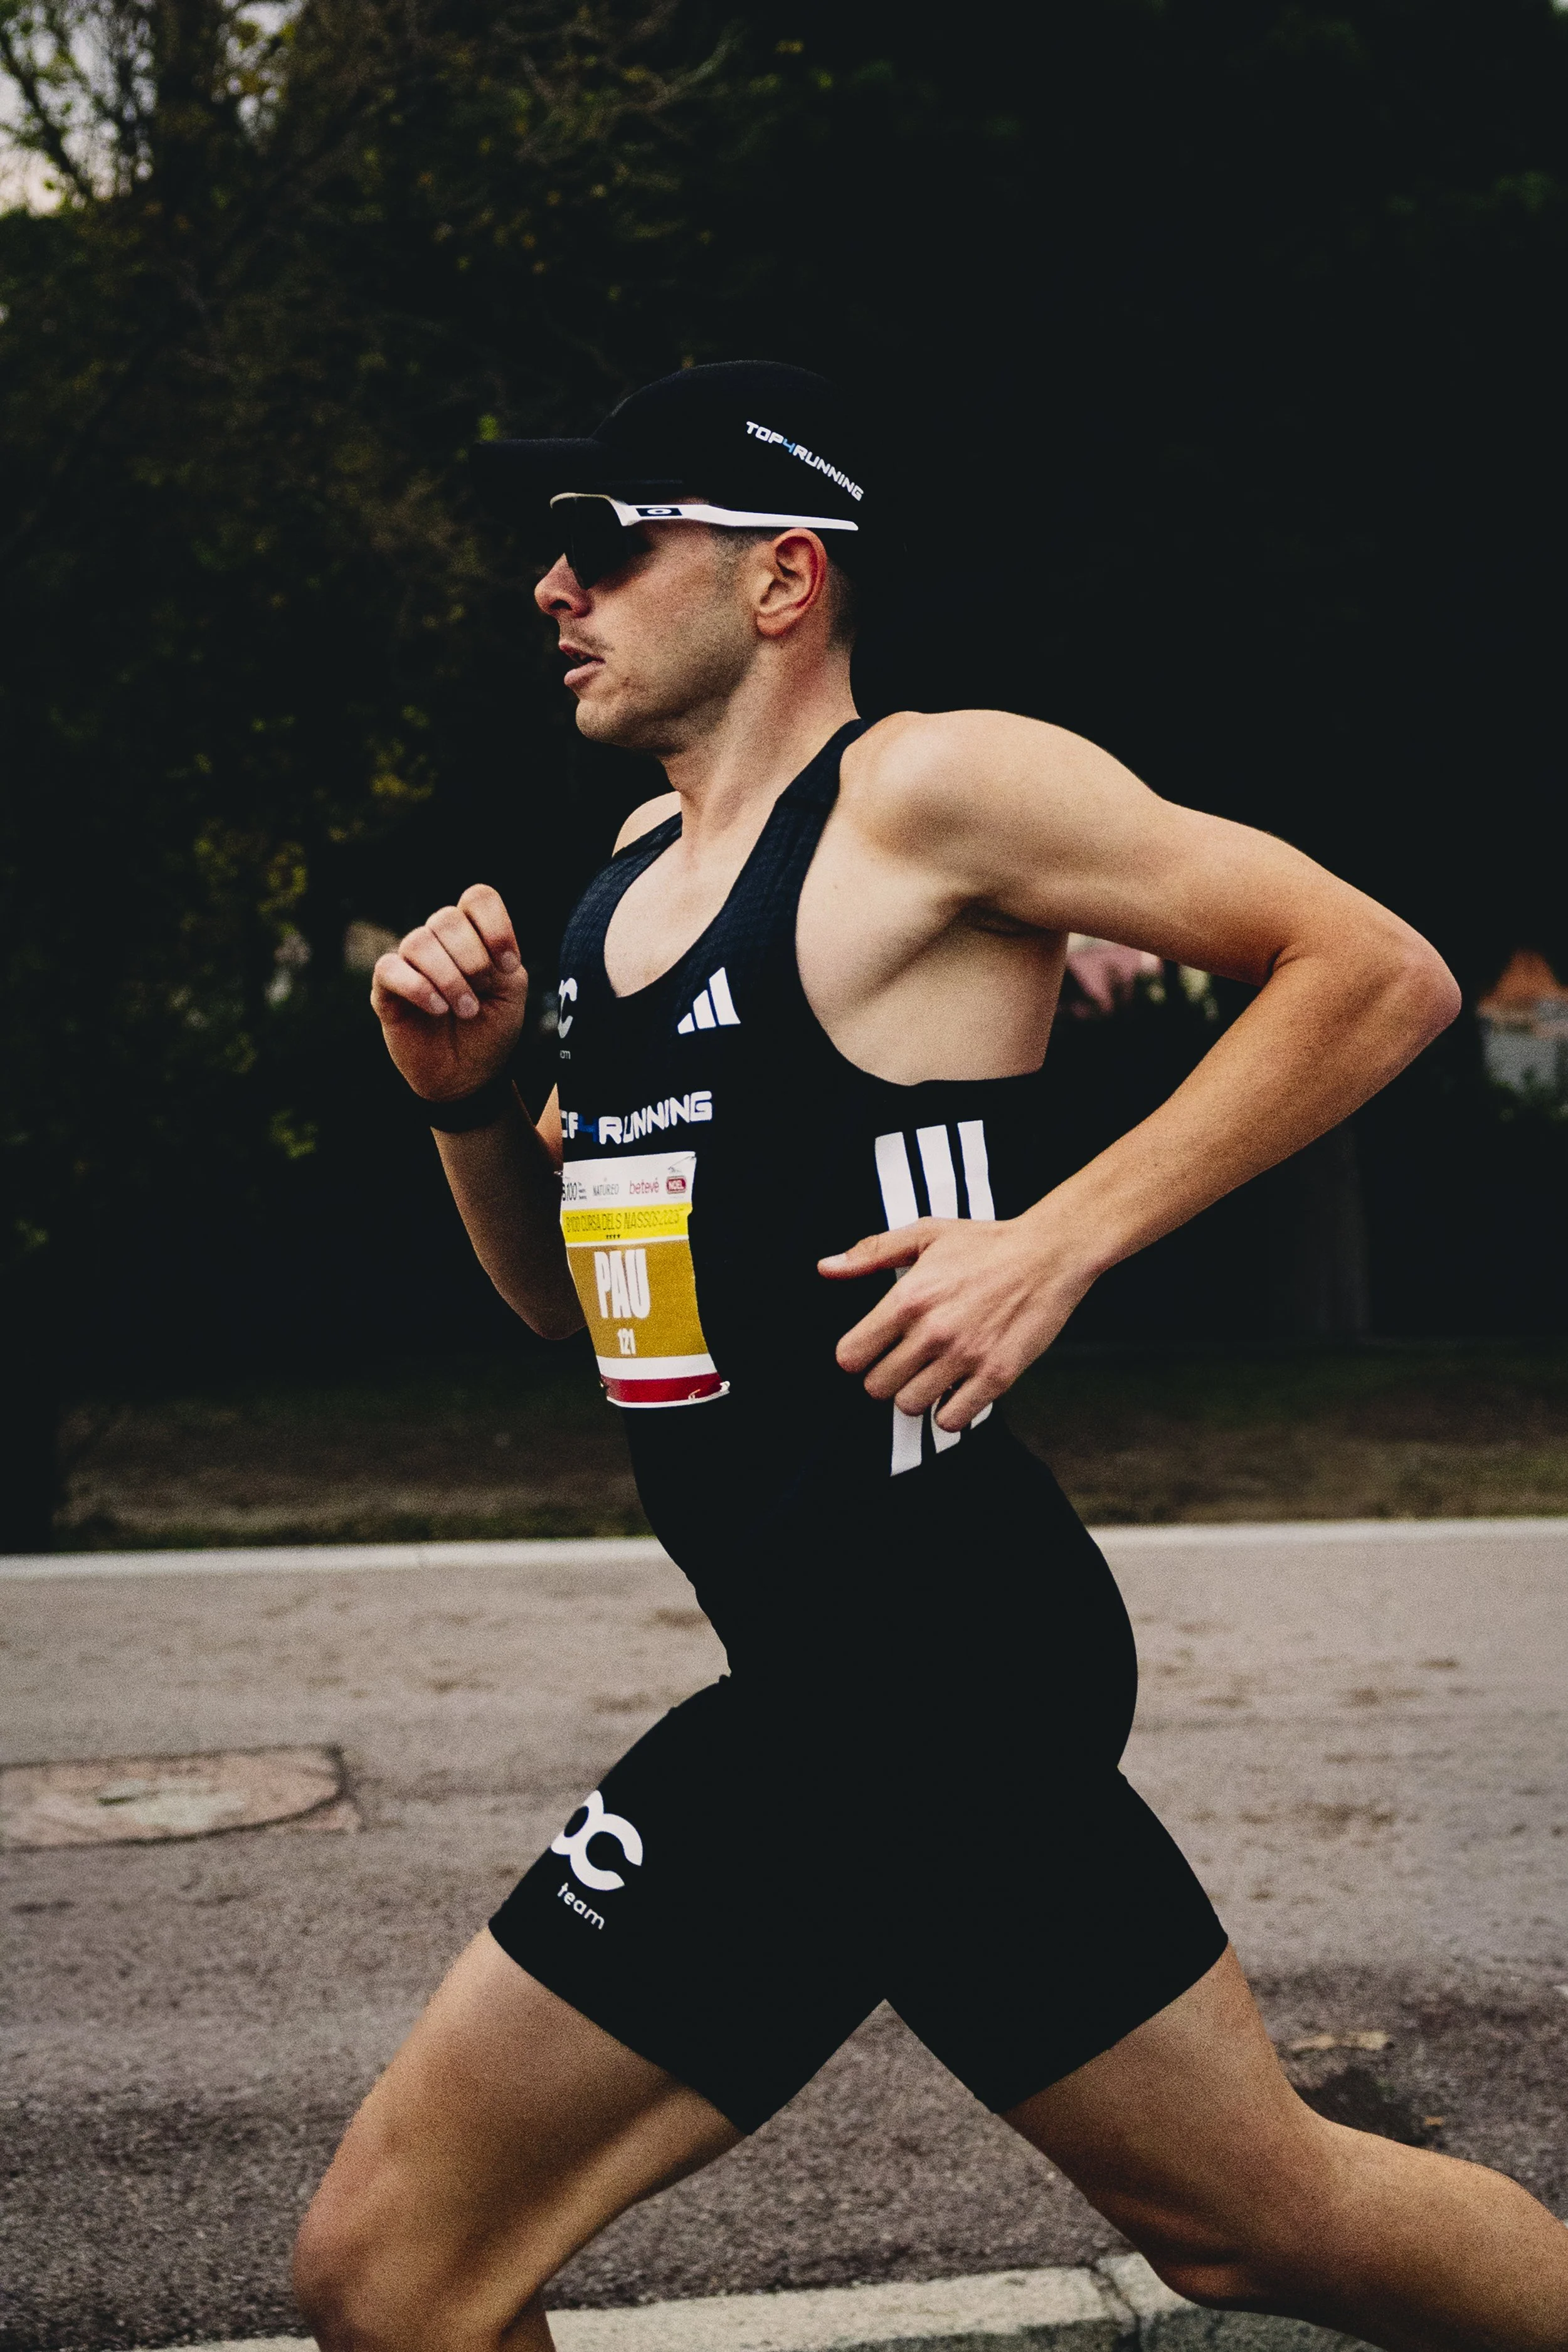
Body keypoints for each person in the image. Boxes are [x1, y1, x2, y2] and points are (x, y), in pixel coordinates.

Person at [294, 363, 1567, 2352]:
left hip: (909, 1661)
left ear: (782, 578)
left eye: (607, 543)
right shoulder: (626, 887)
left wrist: (1060, 1233)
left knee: (390, 2271)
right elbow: (575, 1311)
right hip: (880, 1660)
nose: (554, 586)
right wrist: (463, 1106)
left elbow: (1374, 971)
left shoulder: (928, 794)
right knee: (1262, 2220)